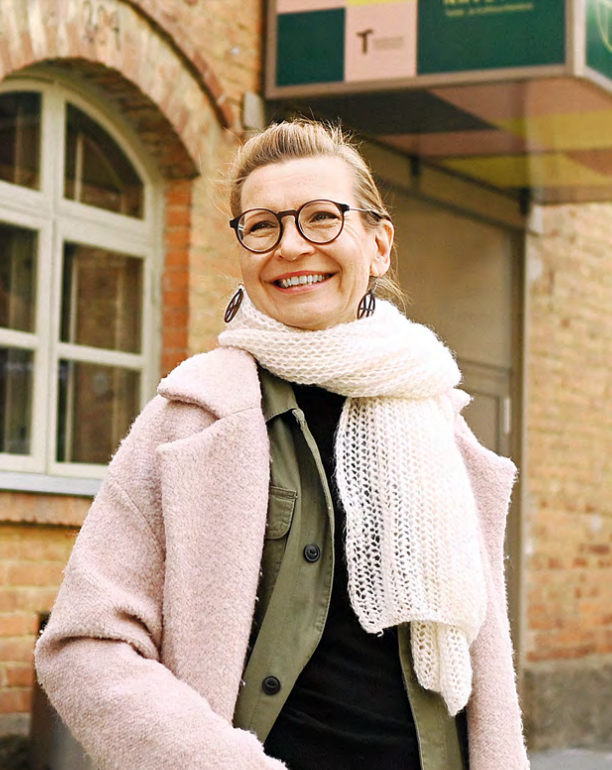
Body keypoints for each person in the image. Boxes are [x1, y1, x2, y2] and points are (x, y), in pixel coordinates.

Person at [35, 119, 530, 770]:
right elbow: (85, 643)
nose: (292, 246)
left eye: (322, 218)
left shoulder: (438, 414)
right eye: (263, 225)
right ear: (242, 248)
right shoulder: (191, 417)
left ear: (379, 244)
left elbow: (480, 670)